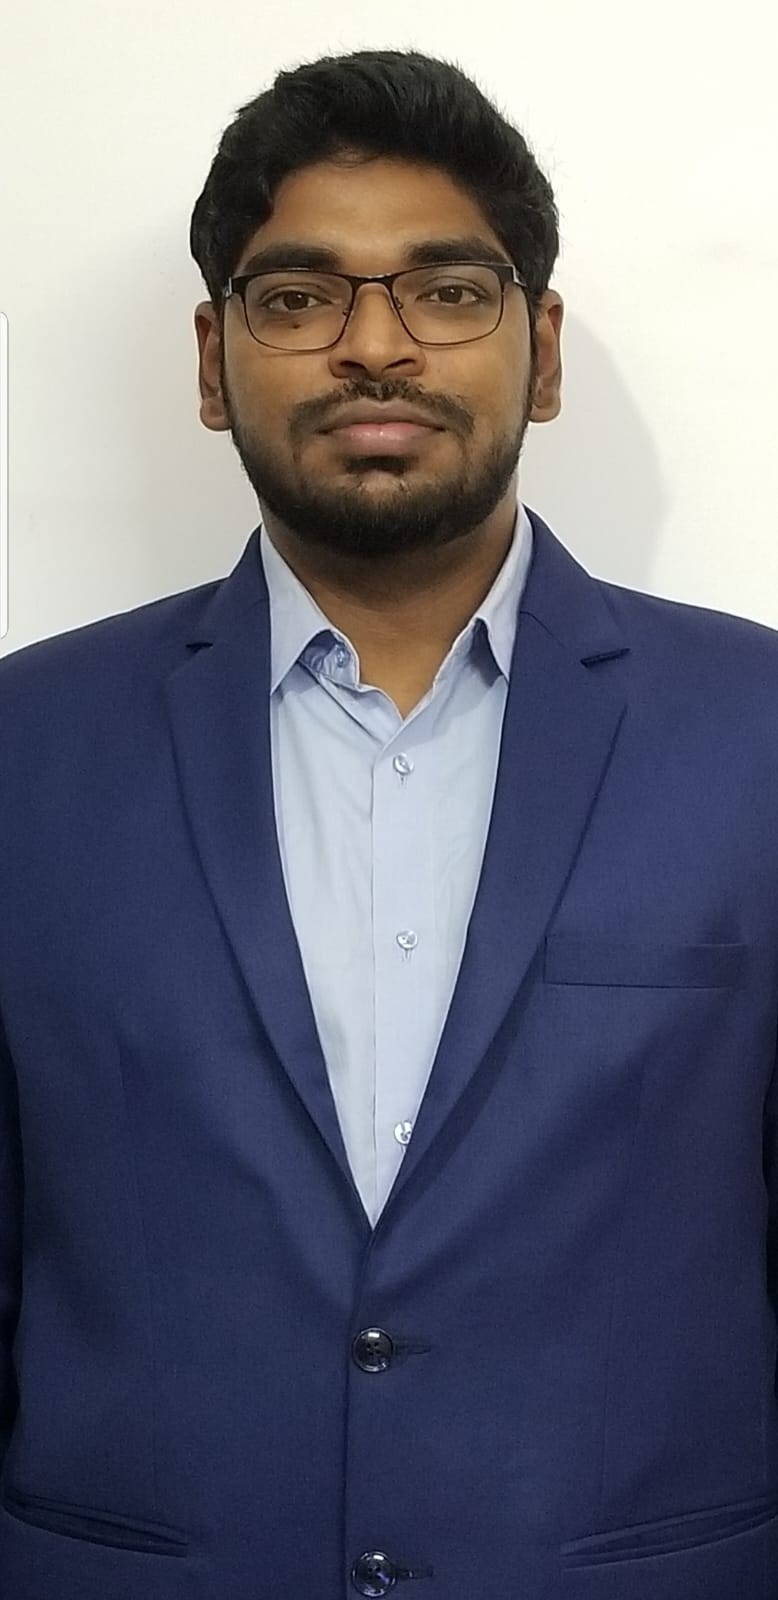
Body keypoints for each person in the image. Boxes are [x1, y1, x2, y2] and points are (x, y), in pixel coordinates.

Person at [0, 45, 777, 1600]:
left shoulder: (753, 728)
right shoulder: (27, 745)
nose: (373, 346)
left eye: (446, 292)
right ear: (213, 361)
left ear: (540, 352)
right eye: (298, 297)